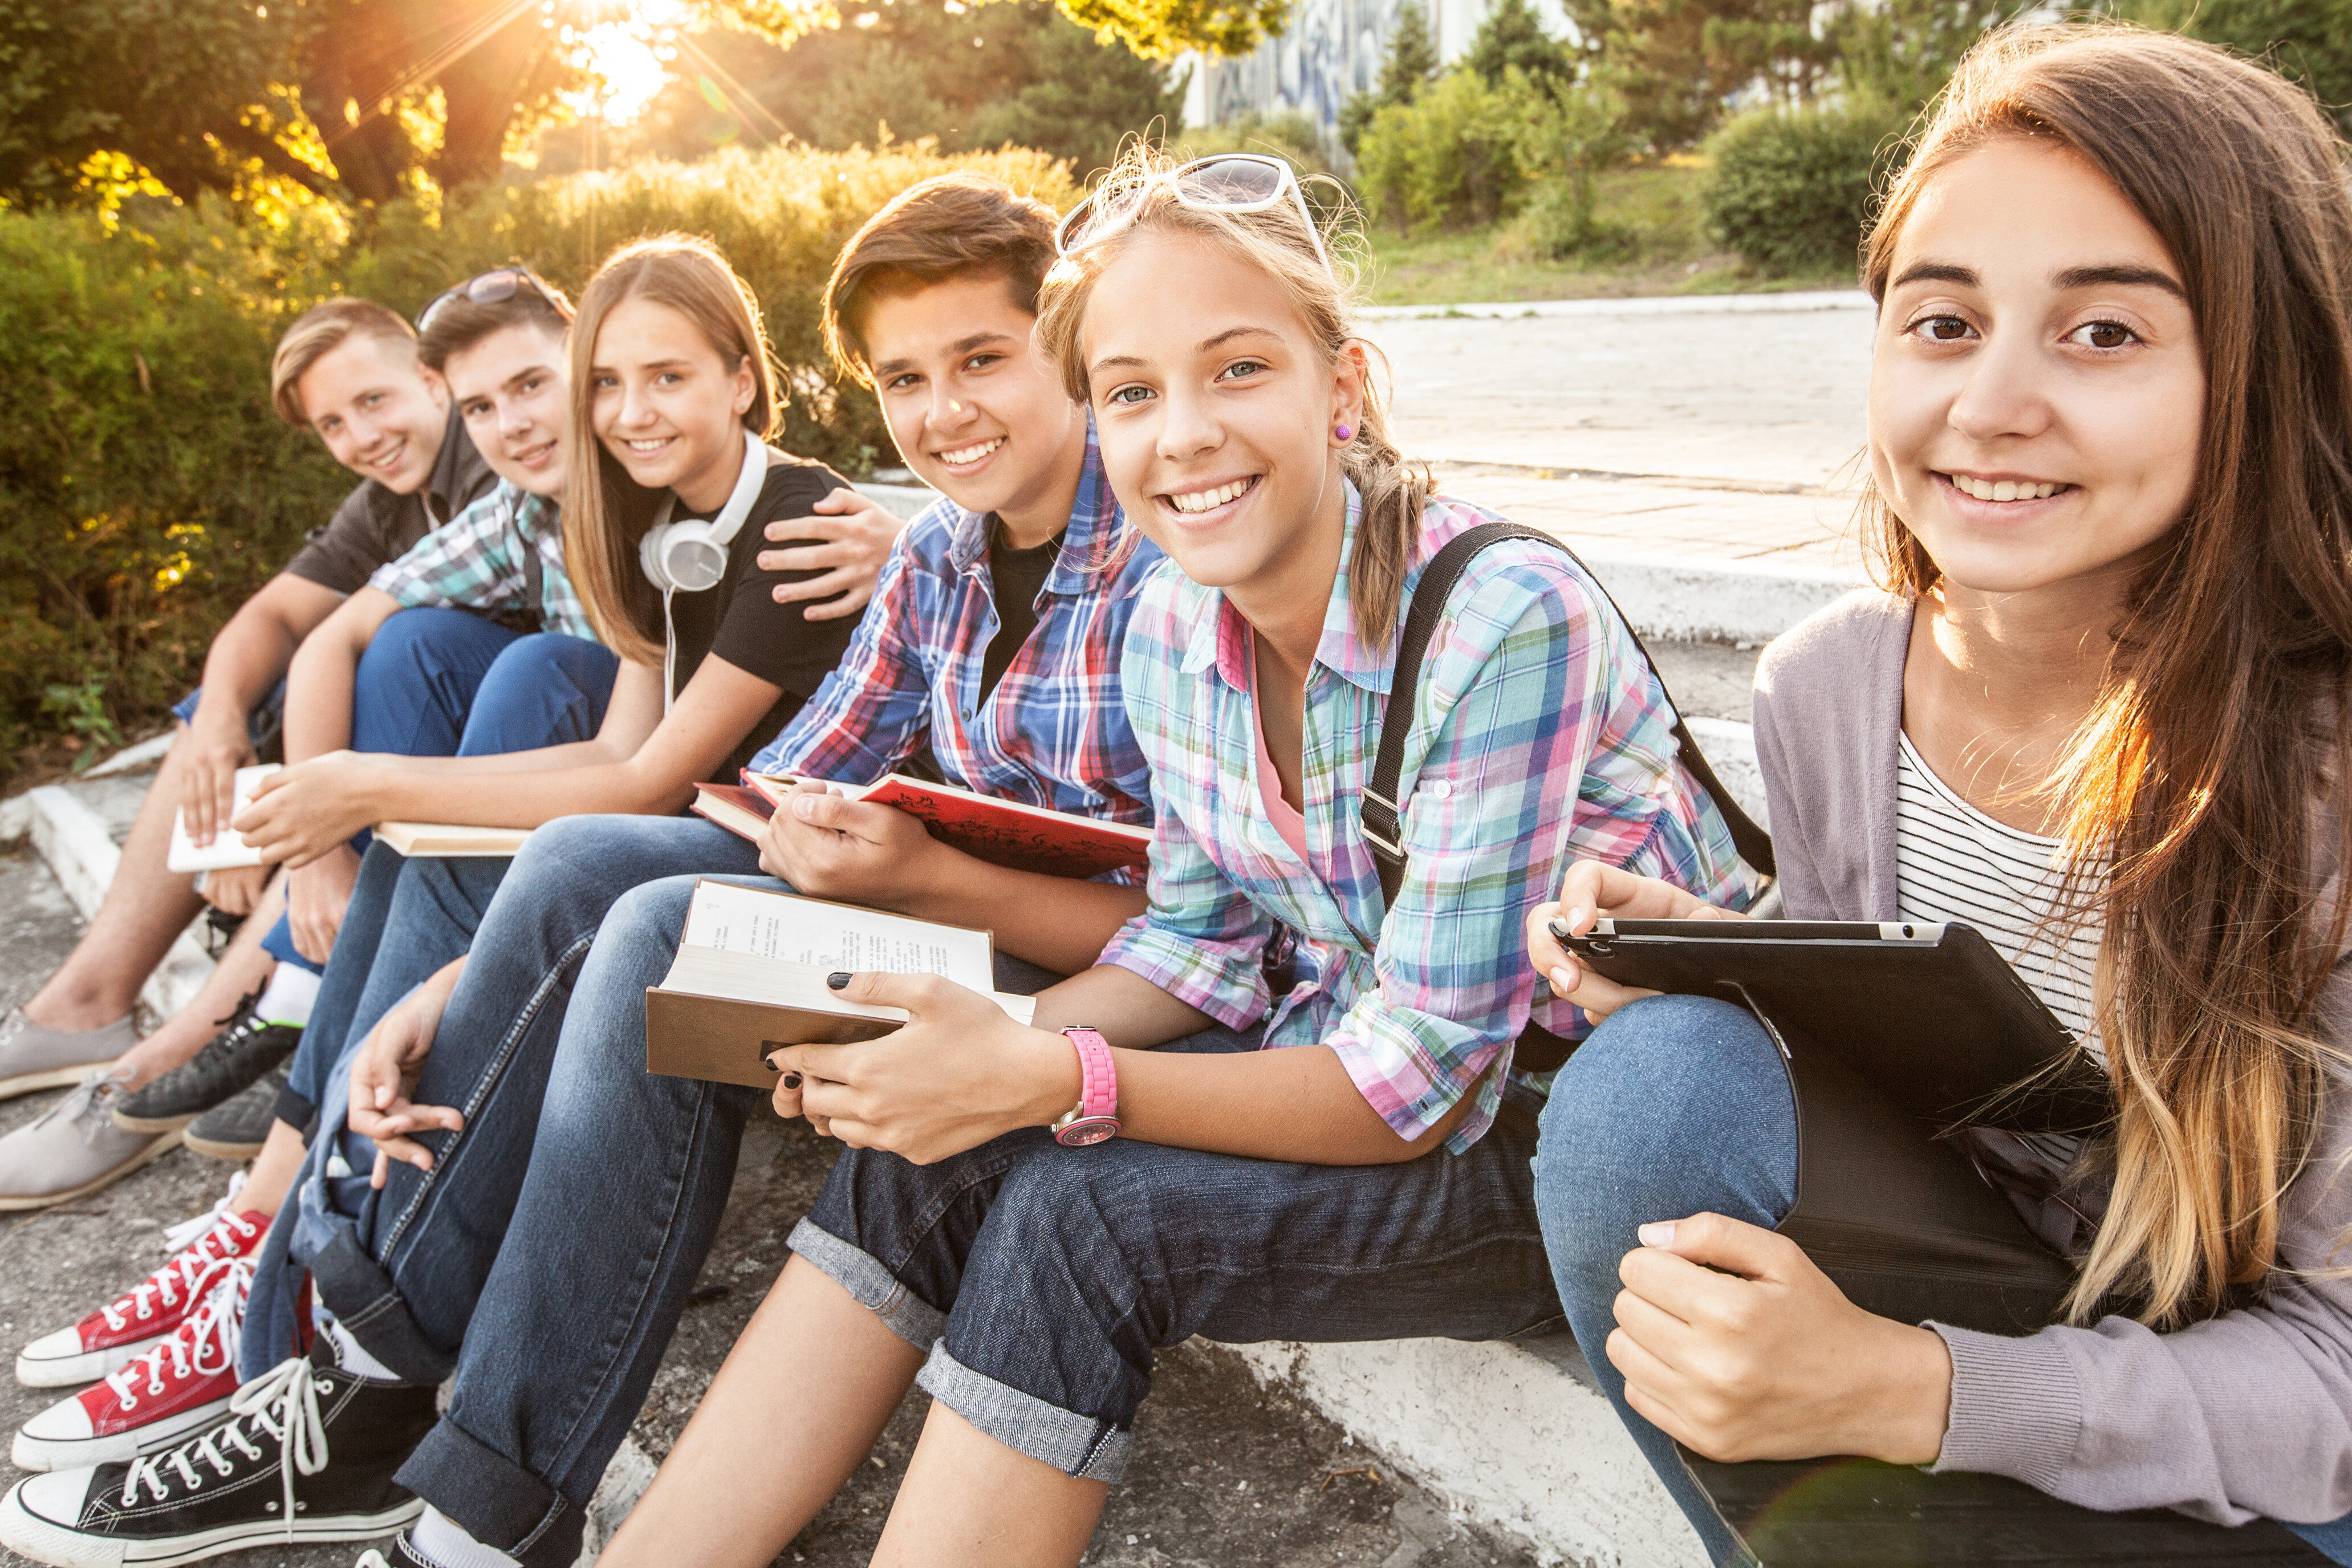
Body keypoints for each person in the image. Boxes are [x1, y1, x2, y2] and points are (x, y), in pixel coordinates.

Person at [564, 148, 1753, 1568]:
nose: (1179, 435)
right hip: (1352, 1054)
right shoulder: (1174, 627)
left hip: (1555, 1141)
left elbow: (1415, 1090)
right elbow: (1194, 945)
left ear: (1343, 385)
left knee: (1087, 1212)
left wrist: (1048, 1068)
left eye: (1236, 369)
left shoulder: (1501, 615)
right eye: (1130, 392)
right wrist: (957, 1043)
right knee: (930, 1146)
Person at [0, 168, 1175, 1568]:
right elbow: (773, 788)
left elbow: (1206, 926)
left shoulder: (1153, 543)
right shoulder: (932, 556)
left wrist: (910, 873)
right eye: (906, 379)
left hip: (1079, 975)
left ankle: (411, 1433)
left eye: (983, 360)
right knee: (579, 871)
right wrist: (462, 977)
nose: (943, 412)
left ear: (1067, 350)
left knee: (637, 917)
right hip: (915, 907)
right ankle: (368, 1403)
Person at [1524, 26, 2352, 1568]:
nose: (1990, 401)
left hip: (2289, 1441)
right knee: (1653, 1086)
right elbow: (1921, 1065)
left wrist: (1916, 1385)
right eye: (1941, 321)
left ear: (2259, 367)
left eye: (2101, 332)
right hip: (2018, 1291)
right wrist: (1739, 953)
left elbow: (2334, 1371)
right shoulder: (1828, 686)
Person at [1, 233, 900, 1484]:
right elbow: (618, 750)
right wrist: (374, 812)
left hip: (808, 882)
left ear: (745, 376)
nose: (626, 414)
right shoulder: (643, 525)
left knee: (541, 851)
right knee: (428, 855)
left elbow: (637, 780)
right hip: (699, 844)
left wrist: (363, 786)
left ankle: (299, 1331)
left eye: (665, 379)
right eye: (607, 385)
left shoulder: (801, 519)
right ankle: (281, 1300)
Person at [0, 299, 501, 1211]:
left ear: (432, 379)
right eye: (332, 425)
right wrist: (225, 727)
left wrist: (307, 846)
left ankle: (180, 1051)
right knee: (223, 701)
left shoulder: (498, 458)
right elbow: (273, 619)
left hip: (495, 760)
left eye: (375, 401)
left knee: (397, 650)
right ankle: (85, 1004)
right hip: (410, 761)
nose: (363, 436)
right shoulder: (394, 496)